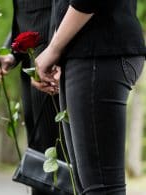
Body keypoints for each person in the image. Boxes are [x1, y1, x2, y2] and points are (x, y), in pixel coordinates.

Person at [34, 0, 146, 194]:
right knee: (88, 185)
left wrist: (54, 49)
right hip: (85, 54)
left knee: (100, 187)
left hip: (98, 51)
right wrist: (58, 52)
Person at [0, 0, 62, 194]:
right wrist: (12, 52)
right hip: (32, 71)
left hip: (57, 69)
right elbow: (28, 15)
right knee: (41, 163)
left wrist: (57, 53)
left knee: (61, 167)